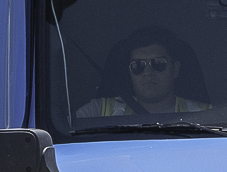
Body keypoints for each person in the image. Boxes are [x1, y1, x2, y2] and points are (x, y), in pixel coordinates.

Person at [77, 26, 211, 117]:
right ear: (129, 72)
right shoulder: (99, 111)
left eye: (158, 63)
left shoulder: (206, 115)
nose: (148, 72)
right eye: (138, 66)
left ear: (175, 69)